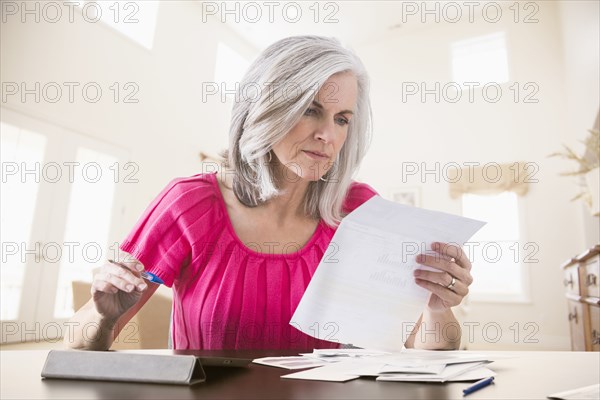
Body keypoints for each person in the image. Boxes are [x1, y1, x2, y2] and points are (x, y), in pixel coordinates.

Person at [64, 35, 472, 351]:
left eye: (342, 119)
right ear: (265, 109)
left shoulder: (359, 210)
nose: (327, 135)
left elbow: (428, 350)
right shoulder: (189, 205)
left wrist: (438, 307)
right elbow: (80, 344)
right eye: (310, 110)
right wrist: (104, 318)